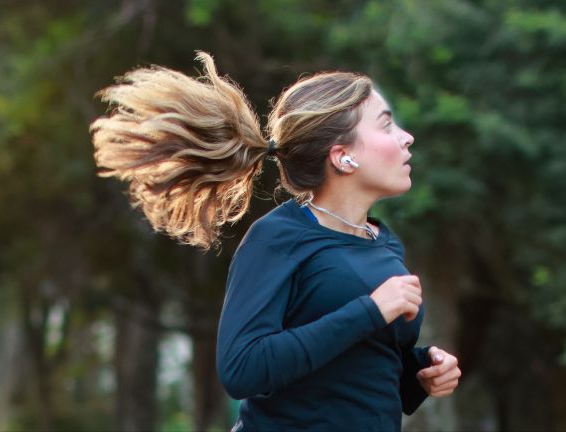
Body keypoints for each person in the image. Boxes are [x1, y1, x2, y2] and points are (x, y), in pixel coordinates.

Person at [90, 52, 461, 431]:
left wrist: (419, 373)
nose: (406, 136)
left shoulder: (384, 244)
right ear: (343, 157)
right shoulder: (278, 238)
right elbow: (242, 368)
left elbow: (352, 381)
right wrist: (370, 310)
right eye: (385, 125)